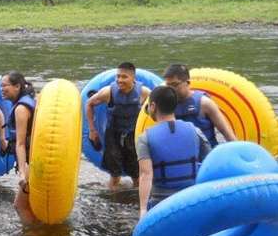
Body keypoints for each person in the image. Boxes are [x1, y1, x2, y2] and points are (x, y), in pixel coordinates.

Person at [137, 86, 212, 219]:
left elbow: (145, 174)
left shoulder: (145, 138)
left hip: (161, 205)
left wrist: (143, 210)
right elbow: (211, 161)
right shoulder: (195, 130)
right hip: (192, 200)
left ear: (153, 106)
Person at [86, 62, 151, 190]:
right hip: (113, 135)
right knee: (114, 176)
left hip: (134, 135)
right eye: (118, 76)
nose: (120, 80)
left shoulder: (144, 93)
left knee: (136, 176)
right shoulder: (108, 92)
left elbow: (159, 110)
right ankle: (113, 200)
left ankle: (134, 202)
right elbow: (89, 104)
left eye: (124, 77)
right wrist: (92, 130)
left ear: (133, 78)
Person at [163, 64, 236, 147]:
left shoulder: (205, 103)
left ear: (187, 82)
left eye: (175, 85)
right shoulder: (165, 104)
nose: (171, 89)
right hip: (181, 154)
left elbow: (227, 133)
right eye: (168, 85)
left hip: (206, 154)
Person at [0, 71, 37, 223]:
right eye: (0, 86)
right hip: (35, 159)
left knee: (20, 206)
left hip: (30, 162)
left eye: (5, 86)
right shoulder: (28, 100)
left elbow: (21, 143)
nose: (1, 89)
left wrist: (22, 172)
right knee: (29, 204)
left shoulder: (21, 108)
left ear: (17, 86)